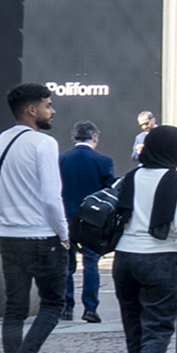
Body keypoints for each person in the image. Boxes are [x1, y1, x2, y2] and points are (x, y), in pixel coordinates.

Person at [0, 83, 75, 353]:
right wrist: (63, 233)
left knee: (15, 312)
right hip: (41, 237)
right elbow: (51, 196)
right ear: (32, 110)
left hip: (9, 235)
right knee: (52, 305)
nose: (52, 110)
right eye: (48, 105)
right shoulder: (43, 143)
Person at [105, 124, 177, 353]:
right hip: (159, 256)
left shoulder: (130, 177)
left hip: (124, 257)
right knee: (158, 326)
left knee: (135, 328)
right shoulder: (175, 180)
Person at [60, 123, 120, 325]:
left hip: (66, 218)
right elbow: (109, 193)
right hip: (93, 220)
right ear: (95, 138)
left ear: (73, 139)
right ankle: (90, 308)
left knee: (67, 266)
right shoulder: (103, 161)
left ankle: (67, 307)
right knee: (91, 264)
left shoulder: (61, 160)